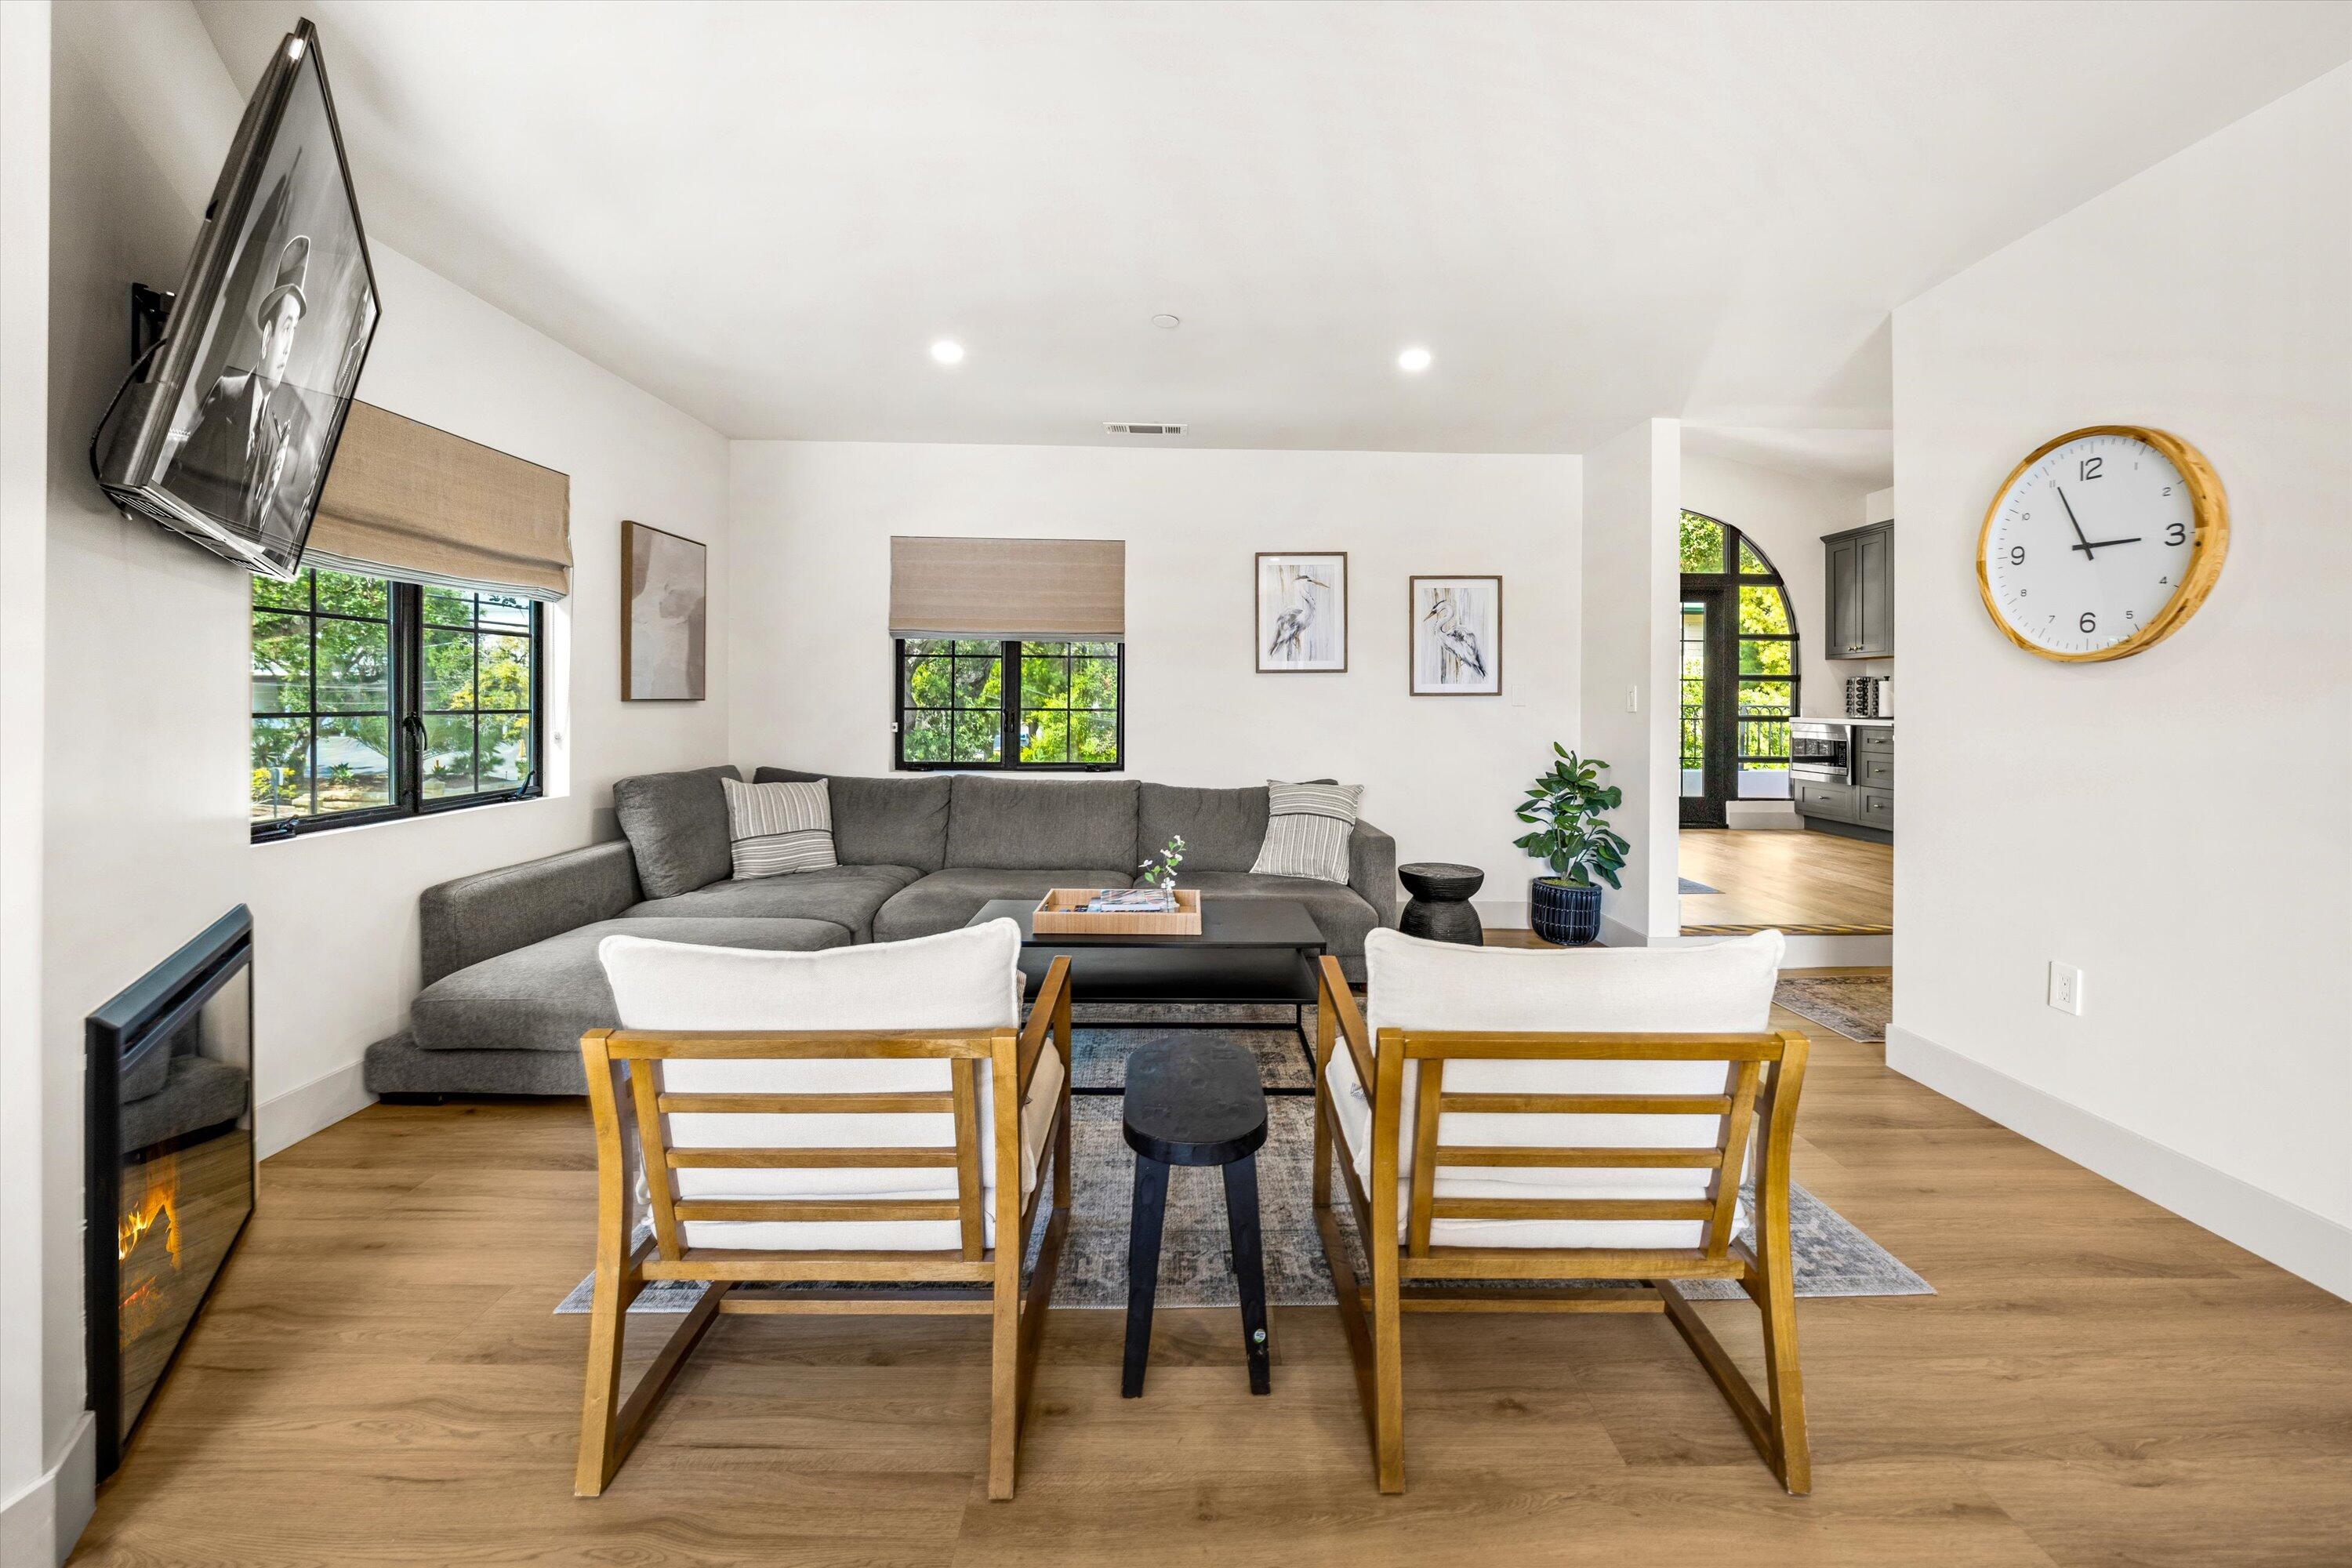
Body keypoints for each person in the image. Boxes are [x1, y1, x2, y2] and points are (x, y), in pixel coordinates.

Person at [171, 234, 319, 549]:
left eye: (295, 331)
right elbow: (176, 485)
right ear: (267, 336)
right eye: (286, 328)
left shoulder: (275, 436)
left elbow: (251, 530)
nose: (288, 349)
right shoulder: (226, 394)